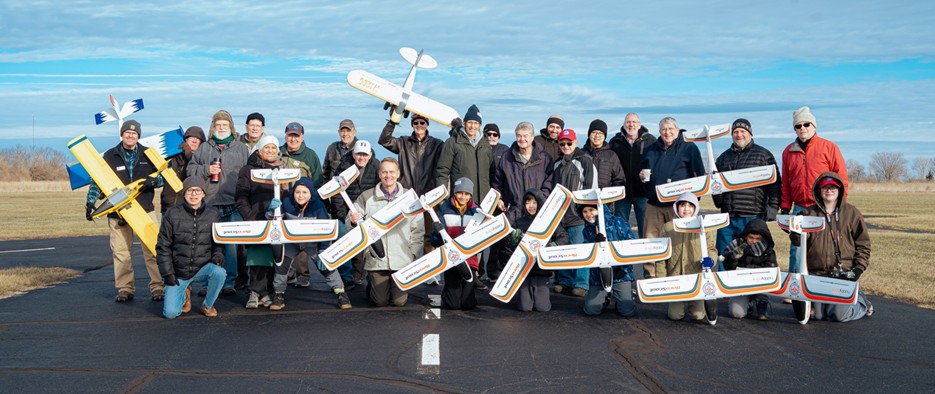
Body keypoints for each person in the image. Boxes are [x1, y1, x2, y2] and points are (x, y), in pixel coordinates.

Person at [85, 120, 165, 302]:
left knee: (154, 250)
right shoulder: (109, 156)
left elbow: (163, 177)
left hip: (144, 210)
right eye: (127, 132)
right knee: (121, 252)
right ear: (122, 134)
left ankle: (158, 286)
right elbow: (97, 181)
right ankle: (125, 288)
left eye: (134, 133)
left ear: (139, 136)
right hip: (117, 212)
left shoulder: (148, 154)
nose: (131, 135)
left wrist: (154, 182)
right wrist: (90, 202)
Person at [235, 135, 307, 309]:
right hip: (256, 217)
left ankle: (267, 292)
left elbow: (288, 194)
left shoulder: (281, 169)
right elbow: (241, 196)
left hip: (276, 219)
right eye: (267, 147)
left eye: (273, 148)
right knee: (256, 256)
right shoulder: (248, 170)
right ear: (259, 150)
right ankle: (254, 292)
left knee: (273, 256)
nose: (270, 151)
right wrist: (250, 216)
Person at [793, 172, 872, 322]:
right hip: (815, 274)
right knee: (817, 316)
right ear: (819, 190)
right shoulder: (809, 213)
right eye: (825, 188)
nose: (829, 190)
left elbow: (864, 245)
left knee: (838, 315)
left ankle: (862, 302)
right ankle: (825, 303)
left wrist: (858, 268)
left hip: (842, 273)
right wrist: (795, 230)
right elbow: (797, 242)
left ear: (839, 190)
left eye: (833, 187)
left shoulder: (852, 213)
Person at [188, 110, 251, 293]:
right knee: (209, 244)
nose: (221, 128)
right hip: (210, 202)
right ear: (213, 127)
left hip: (234, 202)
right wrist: (207, 169)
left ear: (230, 127)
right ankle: (210, 282)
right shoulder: (204, 148)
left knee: (231, 245)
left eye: (225, 125)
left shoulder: (241, 148)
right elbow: (190, 170)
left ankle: (229, 281)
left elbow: (248, 174)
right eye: (218, 125)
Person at [348, 158, 424, 307]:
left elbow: (418, 229)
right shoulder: (366, 196)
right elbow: (351, 225)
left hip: (402, 258)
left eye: (391, 172)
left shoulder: (410, 197)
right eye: (384, 172)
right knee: (380, 301)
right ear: (379, 174)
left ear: (398, 174)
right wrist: (352, 221)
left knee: (398, 302)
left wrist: (412, 253)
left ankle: (387, 285)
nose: (388, 175)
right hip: (377, 259)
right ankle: (373, 284)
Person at [781, 106, 848, 275]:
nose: (802, 128)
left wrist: (840, 204)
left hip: (823, 207)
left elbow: (841, 179)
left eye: (806, 124)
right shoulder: (788, 152)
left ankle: (824, 284)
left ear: (814, 126)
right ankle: (795, 288)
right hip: (799, 208)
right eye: (798, 126)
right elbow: (786, 182)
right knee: (796, 249)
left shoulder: (829, 148)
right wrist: (785, 206)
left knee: (824, 248)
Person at [641, 116, 705, 278]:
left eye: (670, 129)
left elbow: (699, 175)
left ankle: (679, 275)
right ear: (659, 131)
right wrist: (642, 178)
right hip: (654, 203)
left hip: (679, 205)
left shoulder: (689, 148)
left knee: (679, 241)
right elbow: (644, 173)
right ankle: (652, 276)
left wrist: (692, 203)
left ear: (677, 130)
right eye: (663, 129)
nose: (667, 132)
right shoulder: (651, 149)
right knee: (651, 241)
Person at [274, 177, 352, 310]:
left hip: (312, 242)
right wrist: (272, 211)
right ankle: (278, 294)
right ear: (293, 192)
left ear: (311, 193)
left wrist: (323, 249)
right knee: (282, 265)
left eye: (305, 192)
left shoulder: (318, 206)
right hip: (292, 242)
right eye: (298, 192)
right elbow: (273, 221)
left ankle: (341, 293)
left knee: (326, 265)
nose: (301, 195)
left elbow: (326, 231)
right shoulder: (286, 203)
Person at [713, 119, 781, 267]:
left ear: (750, 133)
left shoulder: (763, 155)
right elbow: (716, 187)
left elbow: (775, 184)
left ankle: (751, 287)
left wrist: (773, 206)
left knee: (752, 254)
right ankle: (726, 287)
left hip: (752, 214)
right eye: (735, 132)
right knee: (724, 254)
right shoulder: (723, 158)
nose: (739, 135)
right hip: (728, 216)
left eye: (743, 131)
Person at [157, 177, 227, 318]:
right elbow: (162, 246)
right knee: (170, 313)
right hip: (179, 272)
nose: (193, 194)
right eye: (189, 191)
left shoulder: (213, 214)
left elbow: (218, 243)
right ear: (184, 194)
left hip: (203, 267)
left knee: (220, 273)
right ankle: (184, 294)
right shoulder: (172, 214)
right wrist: (167, 274)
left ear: (203, 193)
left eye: (197, 190)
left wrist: (218, 255)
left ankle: (207, 305)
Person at [499, 189, 569, 312]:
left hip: (541, 269)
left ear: (540, 203)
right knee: (525, 307)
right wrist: (513, 241)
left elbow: (564, 237)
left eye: (534, 202)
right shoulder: (519, 222)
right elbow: (507, 247)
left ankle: (539, 293)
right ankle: (523, 292)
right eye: (527, 202)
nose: (531, 206)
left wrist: (553, 245)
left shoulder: (549, 221)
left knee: (542, 308)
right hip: (524, 270)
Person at [655, 192, 716, 321]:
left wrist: (710, 260)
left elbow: (711, 248)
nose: (686, 209)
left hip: (697, 275)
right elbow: (661, 255)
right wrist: (661, 279)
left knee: (698, 316)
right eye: (682, 205)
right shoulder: (668, 227)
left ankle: (699, 303)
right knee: (675, 316)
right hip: (676, 276)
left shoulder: (703, 226)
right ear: (677, 207)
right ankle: (677, 303)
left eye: (690, 205)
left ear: (696, 208)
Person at [551, 128, 596, 297]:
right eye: (562, 143)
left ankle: (581, 283)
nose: (565, 146)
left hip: (577, 215)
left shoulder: (585, 161)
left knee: (579, 249)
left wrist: (587, 211)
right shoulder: (556, 163)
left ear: (575, 142)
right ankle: (565, 281)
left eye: (569, 143)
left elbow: (590, 187)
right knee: (563, 249)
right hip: (560, 216)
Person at [329, 140, 380, 286]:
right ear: (353, 154)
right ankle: (347, 278)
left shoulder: (376, 166)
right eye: (358, 154)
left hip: (368, 210)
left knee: (366, 245)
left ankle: (361, 276)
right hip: (346, 211)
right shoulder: (344, 166)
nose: (361, 157)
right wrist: (341, 213)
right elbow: (337, 192)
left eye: (364, 154)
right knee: (347, 244)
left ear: (370, 155)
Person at [429, 177, 483, 309]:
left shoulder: (478, 211)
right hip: (451, 261)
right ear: (454, 193)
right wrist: (437, 233)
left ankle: (467, 296)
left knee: (467, 305)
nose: (463, 197)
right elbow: (434, 241)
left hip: (469, 260)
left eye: (466, 194)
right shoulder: (444, 209)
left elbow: (483, 239)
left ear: (471, 195)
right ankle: (447, 293)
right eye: (460, 193)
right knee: (453, 305)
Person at [579, 203, 638, 317]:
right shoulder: (587, 230)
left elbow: (631, 245)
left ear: (599, 210)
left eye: (591, 210)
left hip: (620, 274)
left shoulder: (617, 222)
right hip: (599, 276)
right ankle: (605, 298)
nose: (588, 214)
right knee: (591, 310)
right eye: (585, 212)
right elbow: (586, 252)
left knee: (627, 311)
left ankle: (626, 296)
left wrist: (623, 269)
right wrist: (594, 244)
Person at [492, 121, 553, 224]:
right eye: (519, 136)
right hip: (513, 213)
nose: (522, 139)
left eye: (525, 136)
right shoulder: (506, 157)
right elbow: (498, 182)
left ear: (532, 137)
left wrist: (539, 199)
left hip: (537, 213)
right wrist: (499, 199)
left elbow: (550, 182)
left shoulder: (544, 158)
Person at [720, 218, 777, 320]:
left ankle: (762, 304)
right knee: (736, 314)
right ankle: (748, 304)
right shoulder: (737, 246)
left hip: (761, 284)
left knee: (766, 286)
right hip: (741, 285)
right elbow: (729, 269)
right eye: (751, 237)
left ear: (763, 238)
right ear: (746, 236)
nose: (754, 241)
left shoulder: (768, 250)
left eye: (757, 238)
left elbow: (772, 273)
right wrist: (734, 258)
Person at [609, 113, 656, 237]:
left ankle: (645, 253)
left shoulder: (650, 140)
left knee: (645, 228)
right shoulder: (615, 142)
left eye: (634, 122)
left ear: (639, 125)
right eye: (628, 122)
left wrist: (650, 172)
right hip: (622, 193)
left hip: (643, 192)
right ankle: (623, 253)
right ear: (624, 125)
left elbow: (657, 161)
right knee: (620, 227)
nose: (631, 124)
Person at [436, 105, 492, 202]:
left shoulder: (485, 144)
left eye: (476, 123)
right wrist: (442, 200)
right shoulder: (452, 142)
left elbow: (492, 172)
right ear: (464, 123)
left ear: (479, 125)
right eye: (470, 122)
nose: (472, 126)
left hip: (484, 201)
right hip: (461, 200)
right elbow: (442, 172)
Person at [378, 113, 444, 196]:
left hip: (429, 193)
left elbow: (450, 151)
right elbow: (384, 140)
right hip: (406, 192)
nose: (419, 125)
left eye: (422, 123)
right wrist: (392, 122)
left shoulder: (437, 144)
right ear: (412, 125)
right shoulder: (403, 142)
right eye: (415, 123)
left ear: (427, 124)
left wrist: (455, 129)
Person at [481, 122, 510, 282]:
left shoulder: (504, 150)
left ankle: (494, 271)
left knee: (498, 238)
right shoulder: (479, 148)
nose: (492, 137)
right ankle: (477, 271)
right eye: (488, 134)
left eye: (495, 134)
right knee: (478, 237)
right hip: (482, 198)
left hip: (499, 199)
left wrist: (503, 198)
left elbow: (507, 176)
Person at [160, 126, 205, 213]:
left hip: (189, 207)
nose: (194, 141)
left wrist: (189, 155)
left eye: (198, 139)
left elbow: (196, 174)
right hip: (168, 205)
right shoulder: (171, 157)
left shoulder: (203, 159)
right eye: (191, 138)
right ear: (185, 140)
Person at [582, 119, 625, 189]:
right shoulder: (581, 154)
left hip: (605, 198)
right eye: (594, 132)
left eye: (600, 133)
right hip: (584, 197)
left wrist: (611, 195)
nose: (597, 136)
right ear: (589, 134)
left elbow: (619, 180)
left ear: (605, 136)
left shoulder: (611, 156)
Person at [280, 121, 324, 188]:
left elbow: (317, 182)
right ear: (285, 137)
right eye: (290, 135)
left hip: (300, 197)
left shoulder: (310, 155)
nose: (293, 139)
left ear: (302, 137)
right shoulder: (276, 152)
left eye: (296, 136)